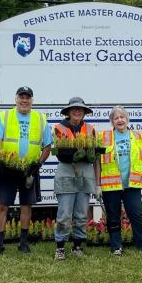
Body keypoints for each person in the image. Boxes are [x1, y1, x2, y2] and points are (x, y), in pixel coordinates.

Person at [0, 86, 53, 255]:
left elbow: (47, 146)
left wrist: (38, 164)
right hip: (7, 170)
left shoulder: (40, 119)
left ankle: (23, 243)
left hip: (28, 171)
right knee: (2, 206)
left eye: (28, 97)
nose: (24, 100)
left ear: (32, 100)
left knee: (26, 206)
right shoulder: (5, 116)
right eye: (21, 97)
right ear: (15, 99)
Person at [98, 105, 142, 256]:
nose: (120, 120)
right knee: (113, 216)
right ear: (112, 122)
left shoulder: (140, 137)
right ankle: (116, 247)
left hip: (132, 184)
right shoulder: (103, 137)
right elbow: (97, 162)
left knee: (137, 215)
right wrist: (97, 184)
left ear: (127, 119)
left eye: (122, 117)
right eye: (116, 118)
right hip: (111, 185)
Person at [53, 97, 98, 260]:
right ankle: (60, 247)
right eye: (74, 109)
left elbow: (95, 154)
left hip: (85, 173)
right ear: (69, 111)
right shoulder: (59, 128)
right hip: (66, 171)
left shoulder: (91, 129)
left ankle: (77, 246)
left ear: (85, 112)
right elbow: (61, 152)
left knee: (81, 214)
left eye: (81, 109)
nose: (78, 111)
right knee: (64, 213)